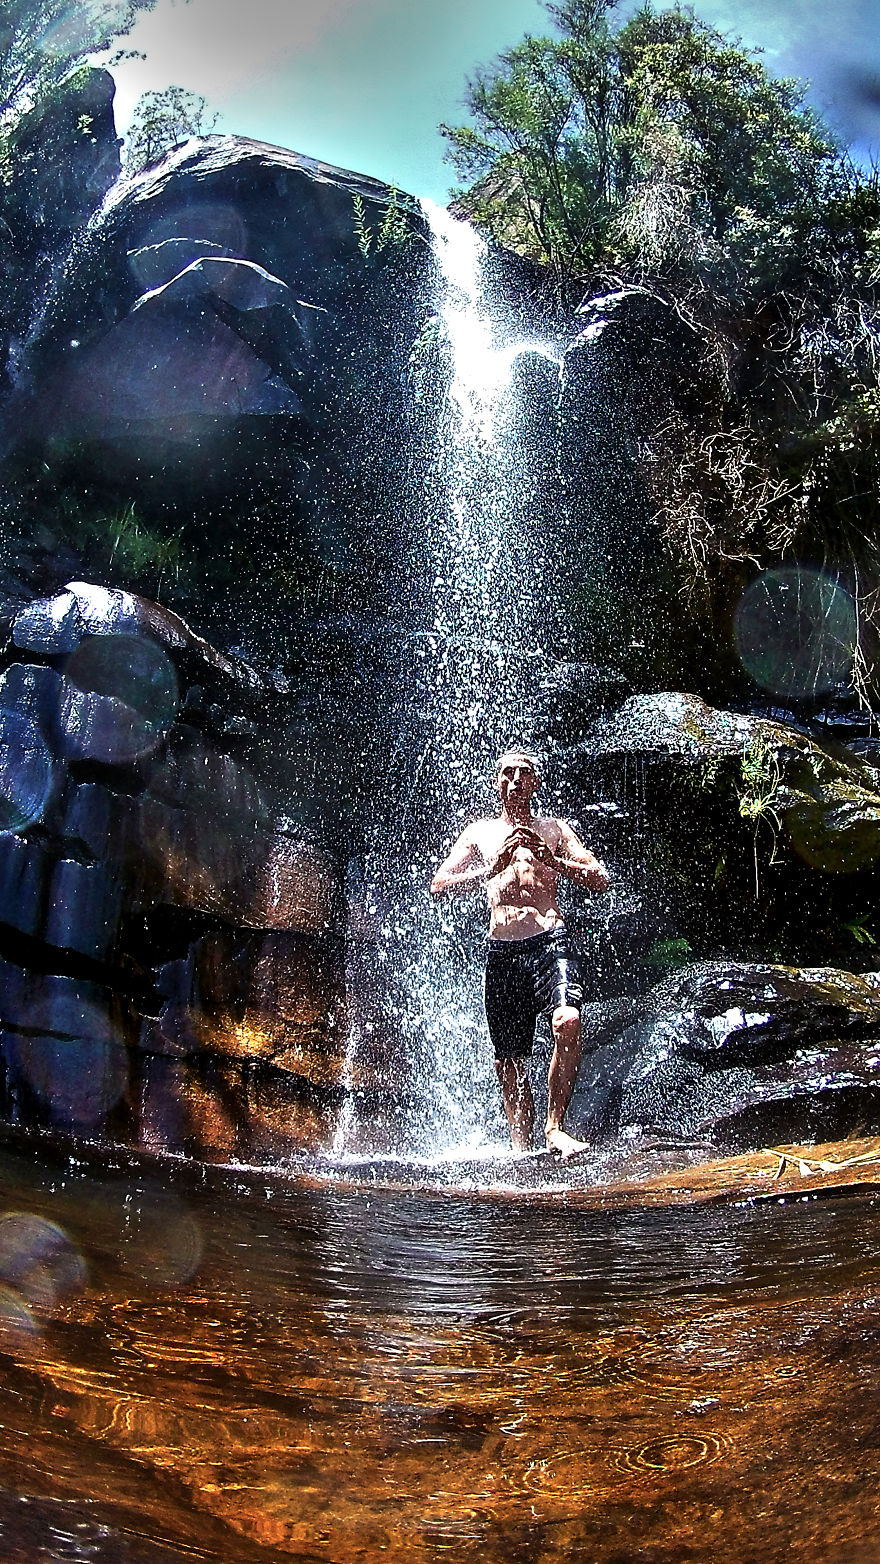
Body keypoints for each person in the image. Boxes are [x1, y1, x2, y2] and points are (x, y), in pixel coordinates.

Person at [430, 750, 609, 1158]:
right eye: (507, 774)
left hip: (550, 940)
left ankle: (555, 1128)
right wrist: (489, 869)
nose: (515, 781)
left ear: (535, 783)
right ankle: (520, 1148)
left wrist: (553, 860)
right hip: (503, 949)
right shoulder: (479, 833)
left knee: (568, 1020)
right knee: (508, 1060)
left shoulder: (554, 829)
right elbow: (439, 885)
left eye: (523, 774)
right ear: (496, 783)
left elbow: (600, 878)